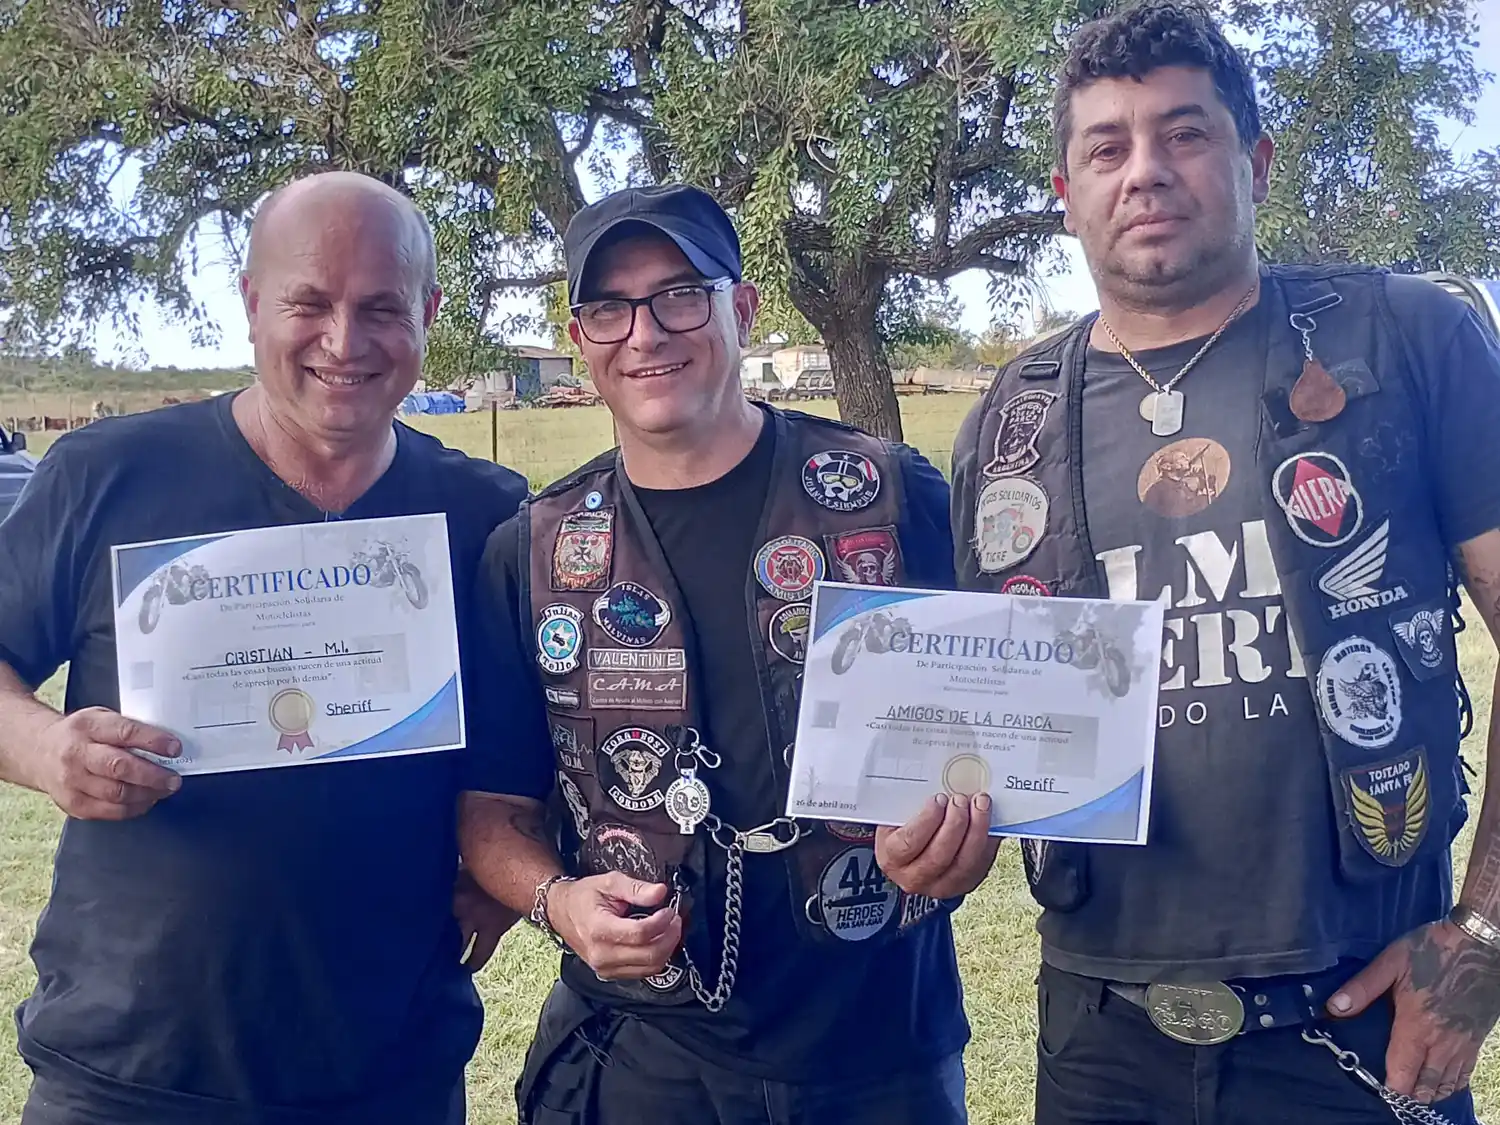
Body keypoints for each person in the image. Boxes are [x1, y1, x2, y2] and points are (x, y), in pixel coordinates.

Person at [948, 3, 1500, 1122]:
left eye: (1184, 133)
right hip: (1098, 1030)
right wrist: (939, 836)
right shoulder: (1012, 418)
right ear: (1066, 194)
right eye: (1107, 146)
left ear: (1254, 159)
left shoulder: (1404, 341)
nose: (1143, 172)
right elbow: (985, 728)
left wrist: (1484, 935)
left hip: (1360, 1012)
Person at [459, 183, 996, 1124]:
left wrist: (973, 833)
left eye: (678, 294)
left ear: (740, 309)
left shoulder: (888, 493)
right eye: (608, 309)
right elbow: (493, 810)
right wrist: (558, 902)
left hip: (875, 1048)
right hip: (639, 1058)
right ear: (580, 339)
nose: (645, 333)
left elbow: (1003, 718)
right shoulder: (535, 548)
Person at [0, 171, 528, 1125]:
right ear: (250, 302)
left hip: (389, 1069)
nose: (343, 341)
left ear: (429, 313)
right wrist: (45, 748)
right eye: (308, 303)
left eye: (380, 308)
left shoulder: (489, 513)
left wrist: (512, 874)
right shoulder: (107, 474)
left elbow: (540, 740)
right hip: (128, 1069)